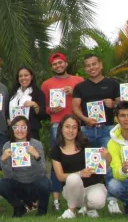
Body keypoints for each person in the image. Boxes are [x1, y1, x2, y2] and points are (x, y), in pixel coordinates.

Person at [72, 54, 121, 214]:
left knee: (109, 164)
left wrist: (114, 104)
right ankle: (86, 202)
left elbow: (123, 104)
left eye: (94, 64)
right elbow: (75, 108)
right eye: (88, 65)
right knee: (86, 165)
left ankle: (112, 200)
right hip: (87, 130)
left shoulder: (112, 84)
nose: (91, 68)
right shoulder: (80, 87)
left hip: (107, 129)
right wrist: (86, 119)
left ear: (100, 65)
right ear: (85, 68)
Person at [40, 52, 84, 211]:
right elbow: (43, 108)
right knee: (57, 162)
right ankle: (56, 200)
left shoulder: (78, 81)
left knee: (81, 159)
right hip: (56, 125)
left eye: (60, 63)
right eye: (54, 64)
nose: (58, 66)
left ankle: (82, 197)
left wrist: (74, 92)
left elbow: (87, 101)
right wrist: (51, 109)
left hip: (77, 125)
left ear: (66, 63)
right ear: (52, 67)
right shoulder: (46, 84)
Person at [51, 115, 109, 219]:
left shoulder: (86, 145)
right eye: (67, 126)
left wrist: (108, 159)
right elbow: (60, 176)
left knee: (98, 202)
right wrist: (80, 173)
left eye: (74, 127)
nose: (71, 130)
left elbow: (100, 169)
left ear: (78, 130)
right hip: (72, 190)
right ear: (61, 128)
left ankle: (90, 208)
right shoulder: (56, 151)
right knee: (73, 178)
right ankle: (71, 211)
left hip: (92, 186)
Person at [0, 116, 50, 217]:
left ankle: (42, 211)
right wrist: (4, 160)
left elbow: (42, 171)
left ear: (28, 129)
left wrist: (37, 156)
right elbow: (8, 175)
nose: (20, 130)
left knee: (45, 182)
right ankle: (19, 207)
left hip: (34, 183)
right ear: (12, 129)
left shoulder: (36, 144)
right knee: (2, 184)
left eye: (23, 127)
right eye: (16, 127)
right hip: (18, 184)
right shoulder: (7, 146)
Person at [8, 66, 46, 139]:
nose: (23, 78)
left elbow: (43, 115)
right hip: (14, 132)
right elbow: (7, 110)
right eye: (20, 76)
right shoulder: (13, 93)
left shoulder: (38, 93)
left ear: (31, 77)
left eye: (26, 75)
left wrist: (34, 105)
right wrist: (8, 120)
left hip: (31, 133)